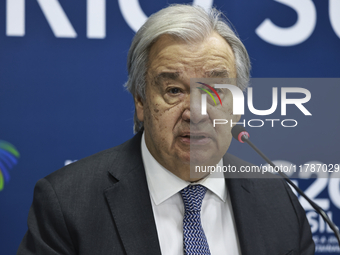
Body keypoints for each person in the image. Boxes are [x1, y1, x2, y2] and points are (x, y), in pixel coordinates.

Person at [18, 4, 315, 255]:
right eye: (174, 90)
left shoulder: (279, 199)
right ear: (140, 101)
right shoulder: (68, 203)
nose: (196, 113)